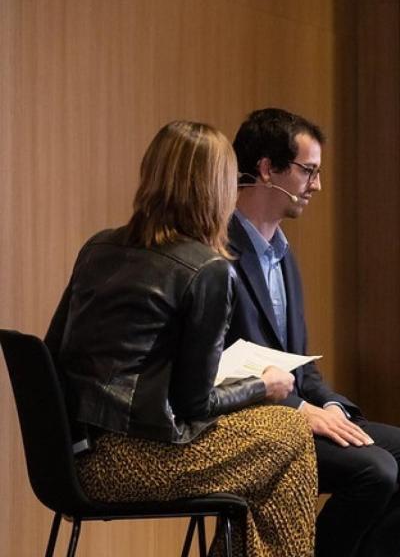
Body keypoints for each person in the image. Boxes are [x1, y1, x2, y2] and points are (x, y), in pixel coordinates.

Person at [44, 120, 317, 556]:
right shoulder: (207, 269)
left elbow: (52, 353)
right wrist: (263, 386)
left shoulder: (98, 247)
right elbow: (195, 406)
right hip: (131, 463)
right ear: (216, 189)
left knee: (274, 453)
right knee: (291, 433)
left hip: (72, 456)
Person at [225, 107, 400, 557]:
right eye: (308, 171)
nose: (316, 185)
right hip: (251, 425)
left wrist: (332, 406)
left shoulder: (283, 254)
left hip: (299, 414)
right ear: (267, 169)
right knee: (375, 470)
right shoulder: (218, 252)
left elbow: (300, 363)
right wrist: (300, 409)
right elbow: (217, 366)